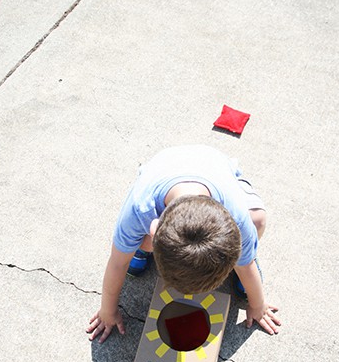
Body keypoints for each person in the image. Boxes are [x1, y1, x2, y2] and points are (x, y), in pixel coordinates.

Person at [87, 144, 282, 343]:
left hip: (216, 166)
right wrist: (107, 310)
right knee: (132, 245)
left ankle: (239, 258)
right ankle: (140, 249)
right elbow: (117, 263)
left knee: (257, 220)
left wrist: (258, 305)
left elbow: (247, 266)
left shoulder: (237, 218)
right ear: (153, 229)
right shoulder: (140, 208)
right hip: (164, 166)